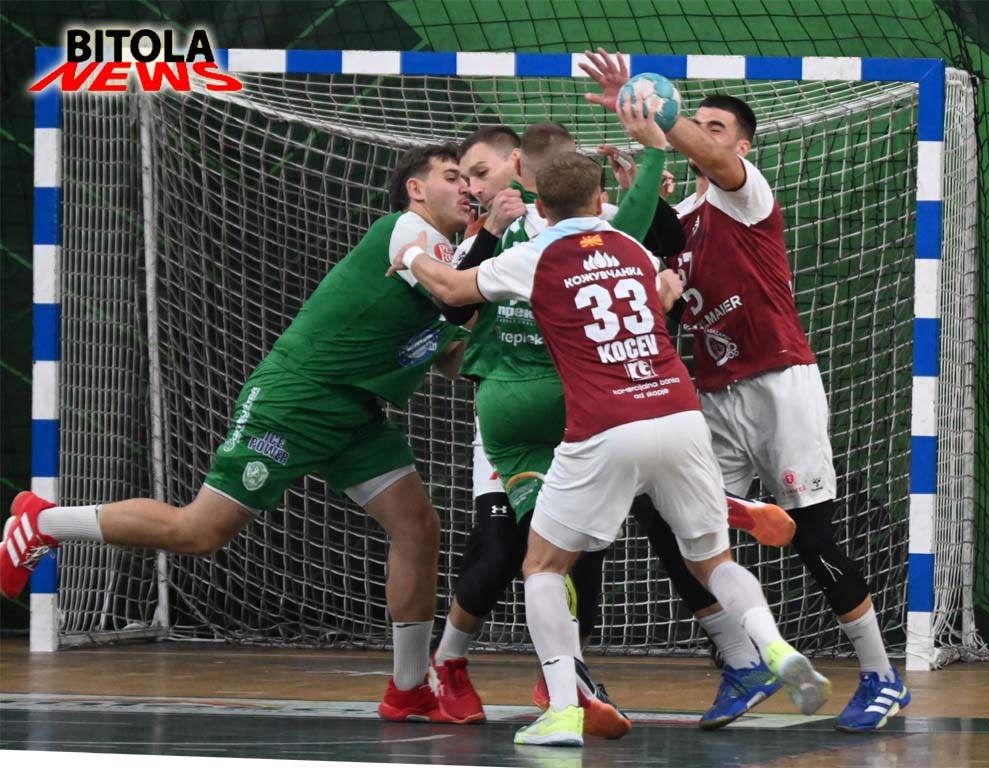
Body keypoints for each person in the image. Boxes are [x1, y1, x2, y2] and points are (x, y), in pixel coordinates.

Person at [0, 144, 474, 724]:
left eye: (471, 177)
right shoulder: (408, 231)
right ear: (417, 190)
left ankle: (408, 689)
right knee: (198, 532)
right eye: (453, 176)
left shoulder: (452, 264)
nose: (465, 187)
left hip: (357, 411)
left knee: (418, 528)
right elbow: (459, 292)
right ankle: (43, 522)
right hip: (297, 399)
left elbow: (456, 357)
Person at [389, 147, 831, 748]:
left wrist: (411, 252)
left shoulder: (536, 254)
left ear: (542, 207)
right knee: (714, 562)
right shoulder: (633, 248)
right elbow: (662, 293)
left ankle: (561, 711)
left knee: (543, 566)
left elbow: (449, 288)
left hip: (604, 423)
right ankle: (774, 647)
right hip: (678, 413)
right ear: (601, 201)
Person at [581, 48, 911, 733]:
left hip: (777, 384)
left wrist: (656, 114)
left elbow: (705, 153)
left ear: (742, 146)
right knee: (675, 525)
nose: (704, 135)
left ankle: (882, 675)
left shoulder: (745, 194)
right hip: (710, 393)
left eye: (717, 128)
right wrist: (640, 177)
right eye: (697, 123)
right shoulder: (677, 221)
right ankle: (743, 660)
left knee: (812, 535)